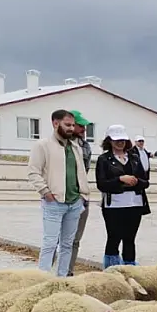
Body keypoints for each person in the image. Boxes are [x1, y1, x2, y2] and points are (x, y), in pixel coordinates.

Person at [27, 109, 88, 276]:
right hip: (54, 202)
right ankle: (43, 278)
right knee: (50, 243)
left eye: (72, 125)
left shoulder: (75, 146)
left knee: (68, 244)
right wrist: (46, 192)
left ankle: (62, 278)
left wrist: (83, 195)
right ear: (55, 123)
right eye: (67, 125)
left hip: (74, 201)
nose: (70, 128)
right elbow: (33, 171)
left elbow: (80, 171)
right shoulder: (42, 145)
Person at [95, 124, 150, 267]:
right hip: (114, 204)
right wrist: (120, 179)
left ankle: (129, 265)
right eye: (116, 140)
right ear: (110, 141)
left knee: (130, 238)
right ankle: (111, 266)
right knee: (114, 236)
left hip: (134, 203)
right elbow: (101, 184)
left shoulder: (134, 158)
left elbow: (145, 181)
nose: (120, 143)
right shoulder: (104, 159)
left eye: (123, 140)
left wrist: (136, 181)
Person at [64, 109, 93, 276]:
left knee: (75, 239)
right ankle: (52, 270)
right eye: (80, 125)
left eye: (84, 126)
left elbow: (85, 171)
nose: (83, 129)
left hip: (80, 196)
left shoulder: (85, 146)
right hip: (63, 196)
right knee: (58, 238)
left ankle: (69, 270)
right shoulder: (60, 144)